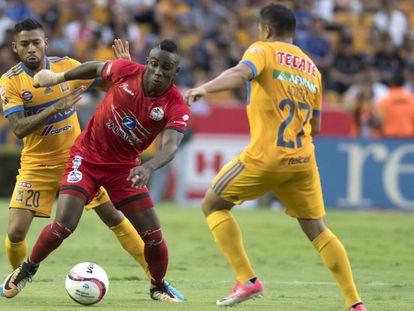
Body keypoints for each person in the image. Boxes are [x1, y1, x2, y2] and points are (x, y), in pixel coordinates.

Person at [184, 3, 367, 311]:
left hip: (266, 157)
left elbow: (242, 73)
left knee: (213, 205)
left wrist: (206, 87)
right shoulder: (312, 69)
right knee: (319, 230)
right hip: (303, 160)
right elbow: (317, 126)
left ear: (266, 30)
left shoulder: (262, 50)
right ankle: (354, 303)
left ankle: (247, 279)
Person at [0, 19, 183, 300]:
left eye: (36, 42)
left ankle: (157, 282)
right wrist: (58, 106)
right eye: (25, 44)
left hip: (79, 157)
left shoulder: (65, 64)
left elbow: (103, 82)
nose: (32, 48)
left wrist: (128, 75)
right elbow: (19, 128)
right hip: (38, 164)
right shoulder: (11, 80)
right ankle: (20, 271)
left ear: (45, 43)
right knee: (15, 233)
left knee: (115, 218)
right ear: (16, 48)